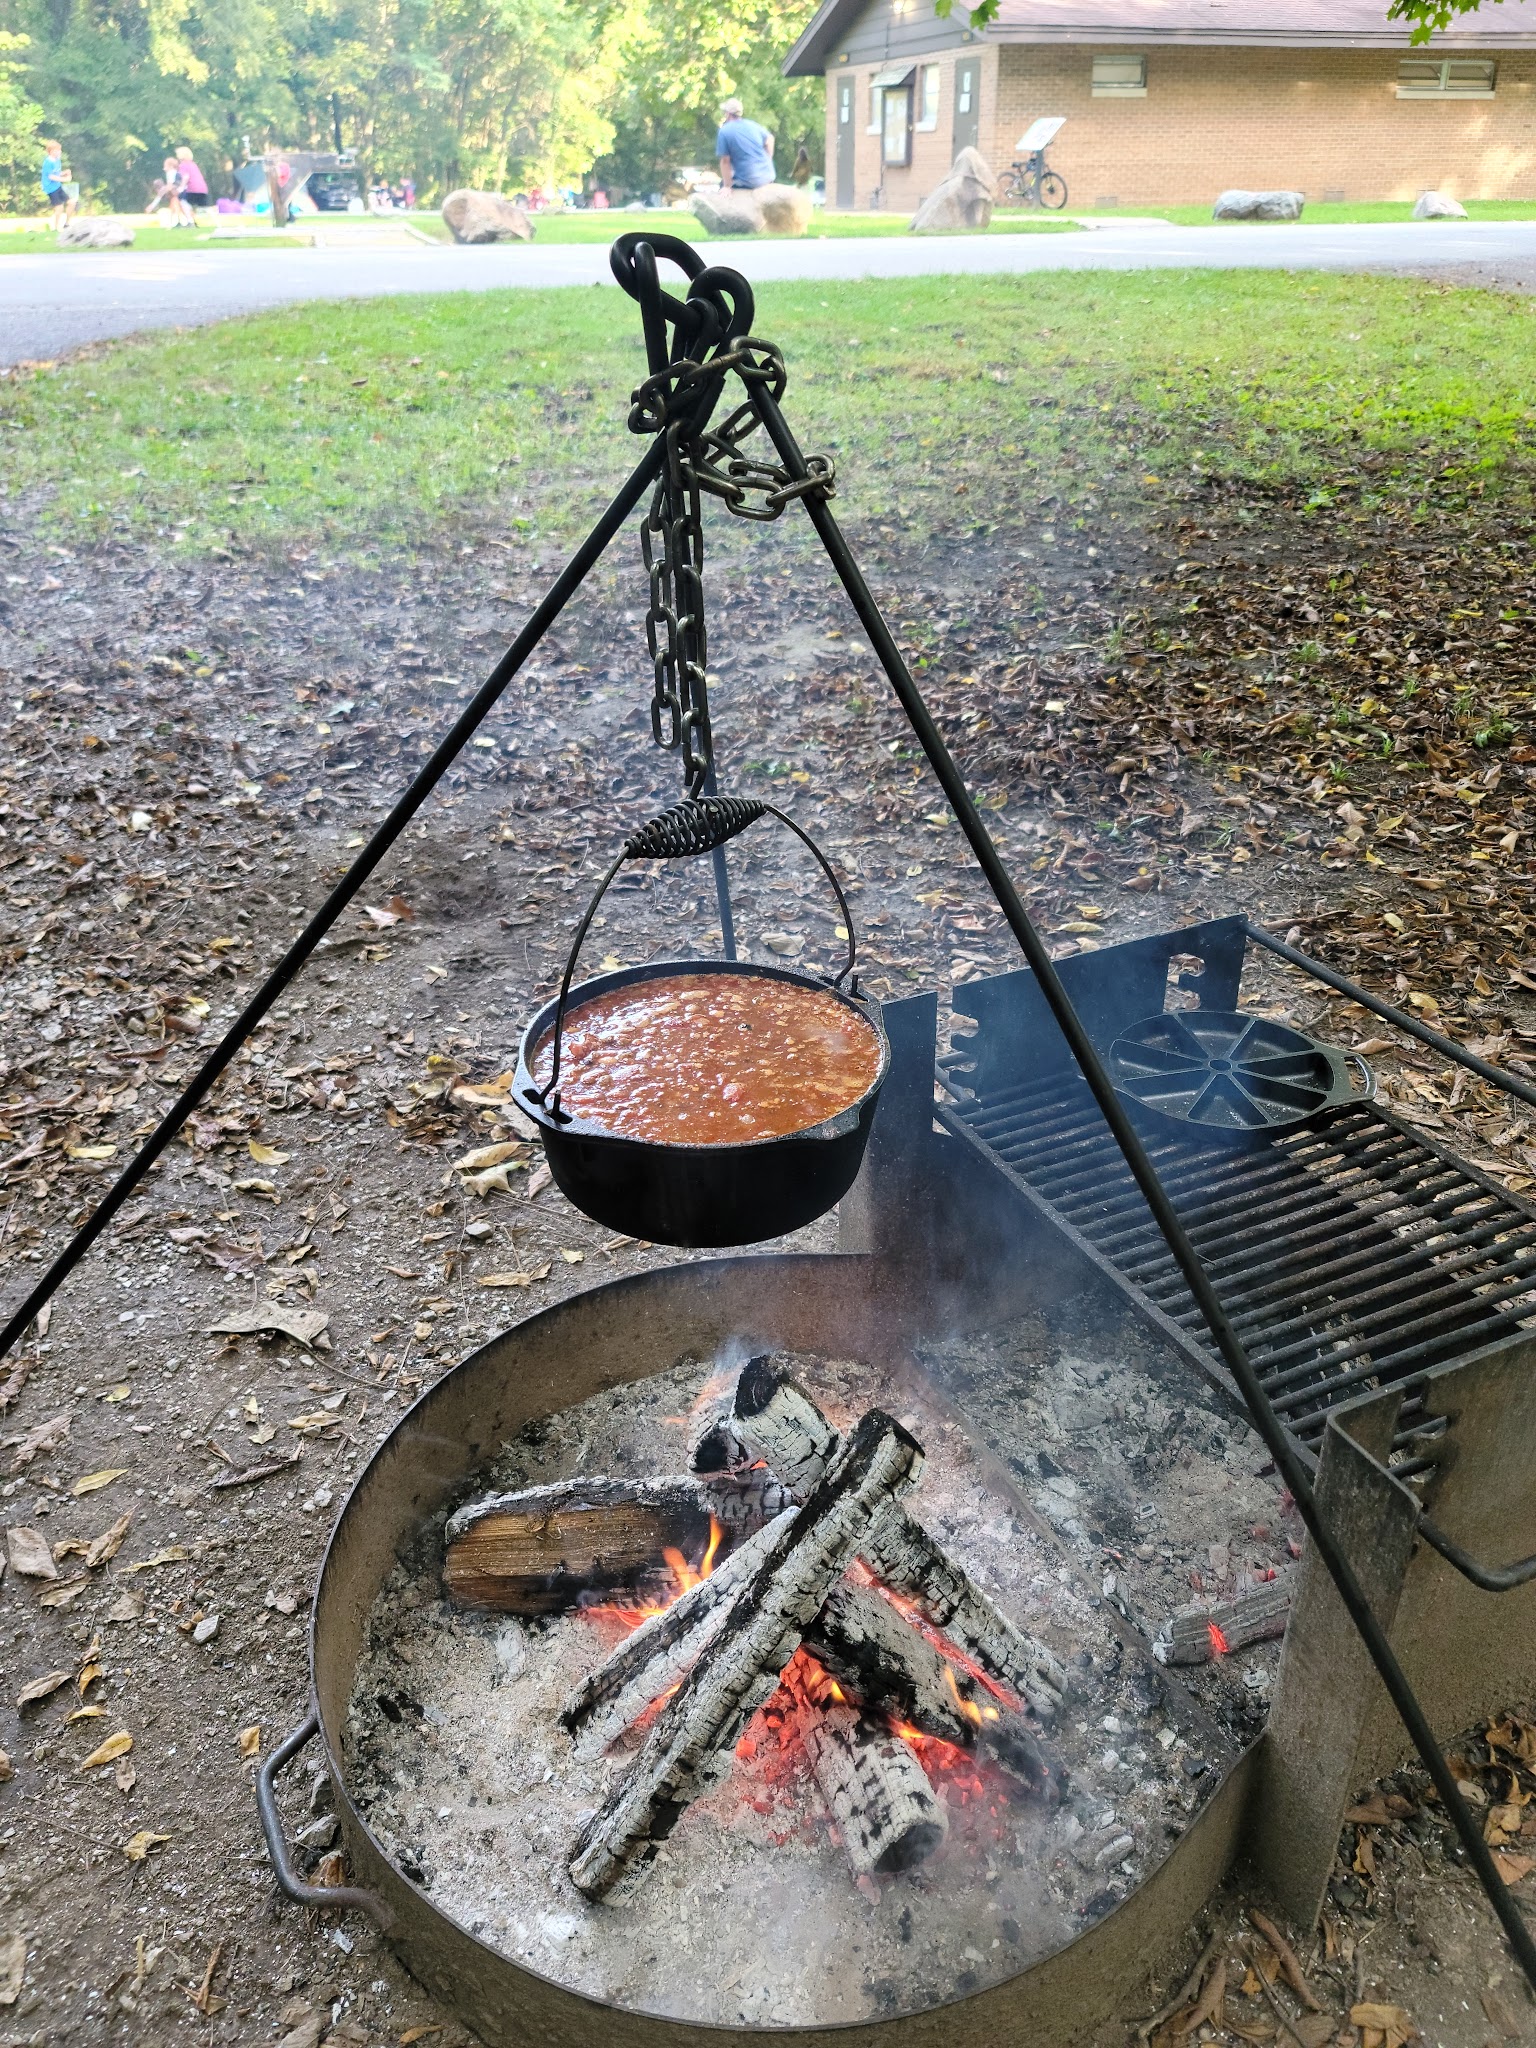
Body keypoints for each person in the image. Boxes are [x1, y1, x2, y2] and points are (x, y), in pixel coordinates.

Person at [715, 96, 774, 192]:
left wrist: (727, 186)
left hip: (750, 182)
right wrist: (768, 159)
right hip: (768, 177)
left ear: (728, 114)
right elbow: (770, 139)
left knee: (722, 185)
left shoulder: (724, 131)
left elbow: (725, 161)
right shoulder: (753, 125)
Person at [39, 140, 76, 224]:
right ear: (51, 151)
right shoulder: (48, 162)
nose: (60, 152)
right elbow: (51, 176)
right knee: (59, 208)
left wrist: (64, 173)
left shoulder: (57, 160)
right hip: (50, 188)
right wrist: (65, 179)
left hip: (57, 186)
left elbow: (56, 173)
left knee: (71, 203)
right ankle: (55, 228)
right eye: (57, 150)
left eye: (60, 150)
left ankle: (67, 224)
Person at [174, 146, 210, 223]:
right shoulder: (193, 164)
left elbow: (186, 177)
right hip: (203, 189)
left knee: (182, 201)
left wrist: (181, 188)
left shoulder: (183, 165)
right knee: (204, 207)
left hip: (193, 189)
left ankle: (190, 221)